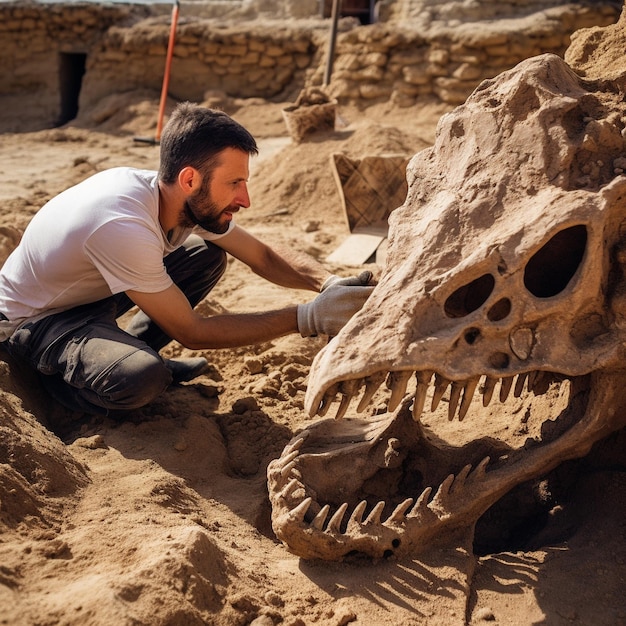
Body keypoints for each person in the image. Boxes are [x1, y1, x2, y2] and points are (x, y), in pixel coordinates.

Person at [0, 102, 373, 417]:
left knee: (206, 255)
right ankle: (61, 394)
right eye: (234, 184)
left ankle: (127, 349)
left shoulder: (172, 196)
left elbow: (260, 254)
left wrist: (328, 283)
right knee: (141, 379)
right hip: (36, 322)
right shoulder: (122, 225)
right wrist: (309, 316)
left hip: (85, 297)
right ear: (190, 179)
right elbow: (192, 332)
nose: (245, 200)